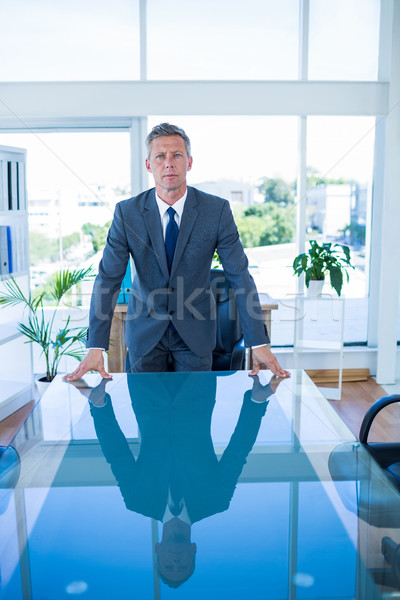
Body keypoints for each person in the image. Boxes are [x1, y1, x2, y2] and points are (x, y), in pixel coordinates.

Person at [63, 123, 290, 381]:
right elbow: (108, 278)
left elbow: (239, 275)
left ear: (189, 162)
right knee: (148, 420)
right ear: (149, 165)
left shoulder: (216, 211)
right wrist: (96, 346)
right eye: (160, 156)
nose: (168, 163)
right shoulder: (127, 213)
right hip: (144, 337)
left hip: (196, 336)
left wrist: (258, 342)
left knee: (195, 419)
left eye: (177, 155)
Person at [85, 372, 280, 587]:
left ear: (158, 549)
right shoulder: (216, 501)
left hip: (147, 391)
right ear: (194, 551)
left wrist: (100, 407)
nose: (176, 562)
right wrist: (256, 402)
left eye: (169, 566)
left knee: (143, 339)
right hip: (196, 389)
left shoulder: (137, 500)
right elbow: (237, 452)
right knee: (195, 338)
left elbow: (117, 455)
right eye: (183, 566)